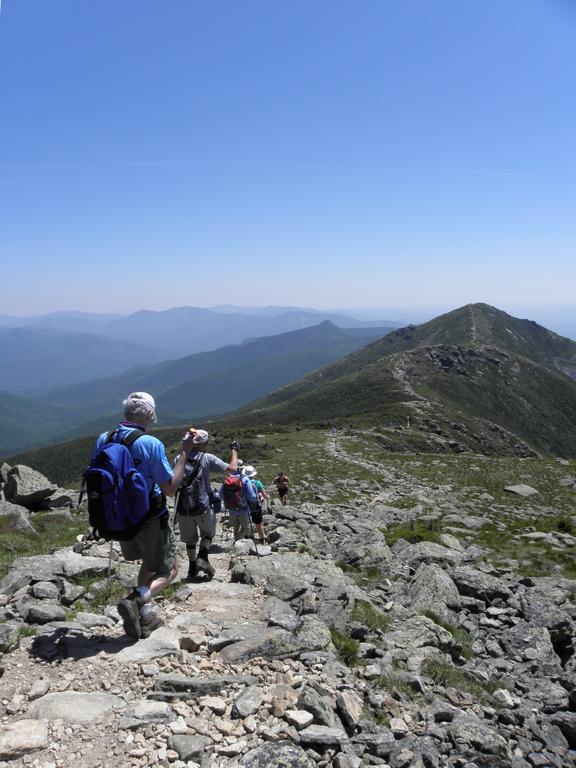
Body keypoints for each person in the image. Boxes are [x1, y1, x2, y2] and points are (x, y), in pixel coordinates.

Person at [94, 392, 195, 640]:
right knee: (170, 570)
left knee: (148, 564)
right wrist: (184, 453)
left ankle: (145, 614)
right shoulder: (150, 443)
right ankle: (136, 599)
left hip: (119, 519)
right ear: (150, 414)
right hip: (150, 518)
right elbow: (170, 488)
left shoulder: (103, 438)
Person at [175, 429, 238, 581]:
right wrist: (234, 451)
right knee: (208, 533)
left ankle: (191, 569)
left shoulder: (179, 458)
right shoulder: (207, 458)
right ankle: (202, 556)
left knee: (190, 540)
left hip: (183, 509)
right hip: (202, 506)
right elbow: (232, 469)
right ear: (203, 444)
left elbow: (173, 479)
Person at [221, 464, 258, 543]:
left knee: (236, 525)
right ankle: (237, 542)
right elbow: (252, 497)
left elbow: (220, 495)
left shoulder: (228, 480)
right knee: (245, 527)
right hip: (243, 509)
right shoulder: (245, 479)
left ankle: (236, 540)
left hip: (231, 508)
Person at [242, 465, 267, 544]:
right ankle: (262, 540)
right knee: (258, 523)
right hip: (256, 505)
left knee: (246, 523)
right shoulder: (258, 483)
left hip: (245, 505)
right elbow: (264, 494)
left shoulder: (243, 481)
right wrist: (267, 497)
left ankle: (245, 537)